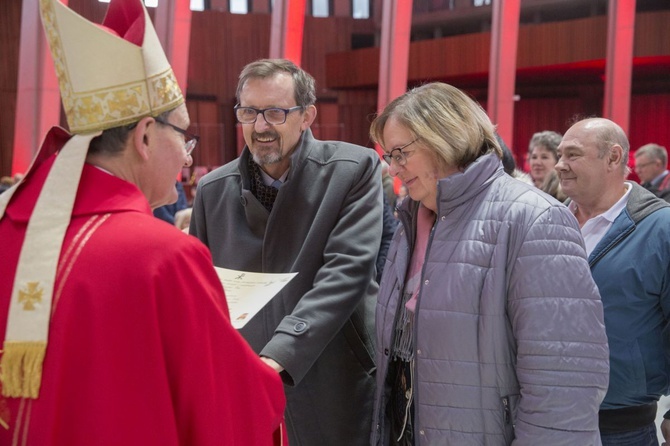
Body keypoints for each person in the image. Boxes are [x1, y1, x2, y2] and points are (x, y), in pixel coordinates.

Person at [0, 1, 287, 444]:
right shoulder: (163, 254)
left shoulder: (10, 230)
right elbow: (230, 407)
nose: (188, 155)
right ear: (146, 136)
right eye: (184, 136)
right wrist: (265, 374)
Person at [369, 82, 610, 445]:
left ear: (444, 137)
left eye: (402, 153)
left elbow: (564, 383)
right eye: (390, 156)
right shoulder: (411, 220)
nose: (394, 168)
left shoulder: (533, 219)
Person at [190, 58, 382, 446]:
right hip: (243, 382)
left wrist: (280, 353)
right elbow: (203, 292)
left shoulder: (353, 169)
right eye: (248, 112)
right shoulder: (212, 189)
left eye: (275, 112)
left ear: (307, 116)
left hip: (331, 375)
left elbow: (346, 272)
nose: (260, 127)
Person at [556, 117, 670, 446]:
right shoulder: (547, 222)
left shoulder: (660, 228)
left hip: (624, 427)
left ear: (613, 157)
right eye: (560, 154)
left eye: (573, 155)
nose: (561, 165)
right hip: (544, 419)